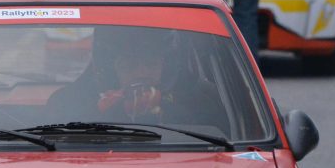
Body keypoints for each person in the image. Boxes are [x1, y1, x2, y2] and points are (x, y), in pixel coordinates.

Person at [45, 26, 226, 128]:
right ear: (110, 70)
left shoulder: (201, 104)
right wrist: (104, 112)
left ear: (166, 66)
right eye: (130, 66)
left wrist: (168, 109)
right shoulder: (68, 104)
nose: (141, 73)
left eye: (151, 64)